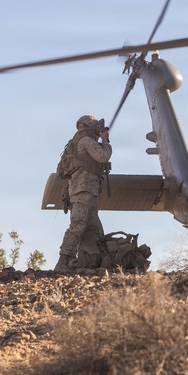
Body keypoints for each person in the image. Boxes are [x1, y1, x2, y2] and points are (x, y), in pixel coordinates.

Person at [55, 115, 112, 272]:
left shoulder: (80, 141)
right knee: (78, 225)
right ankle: (63, 262)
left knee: (95, 228)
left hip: (87, 190)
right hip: (83, 190)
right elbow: (103, 156)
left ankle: (95, 261)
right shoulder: (85, 141)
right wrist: (106, 141)